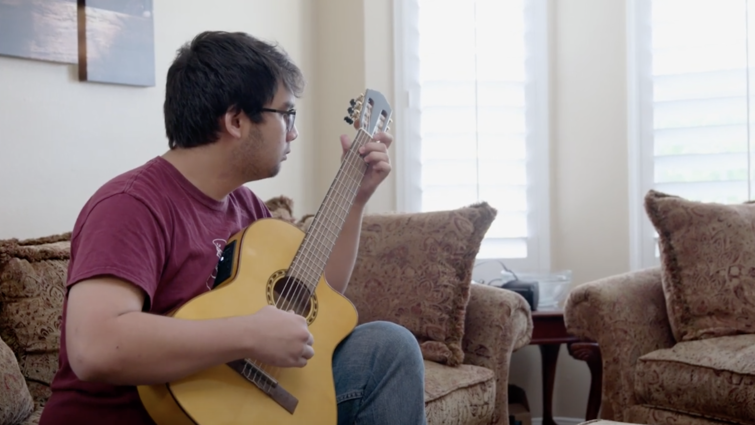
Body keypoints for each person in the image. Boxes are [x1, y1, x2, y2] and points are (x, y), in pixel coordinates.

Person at [39, 31, 426, 425]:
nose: (293, 132)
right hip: (133, 416)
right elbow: (95, 347)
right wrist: (249, 335)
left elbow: (314, 296)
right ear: (237, 120)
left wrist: (355, 199)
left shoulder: (245, 207)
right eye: (286, 113)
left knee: (387, 346)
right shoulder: (131, 205)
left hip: (225, 399)